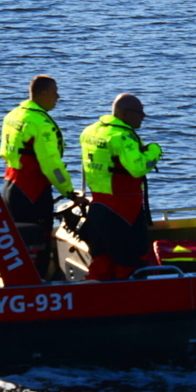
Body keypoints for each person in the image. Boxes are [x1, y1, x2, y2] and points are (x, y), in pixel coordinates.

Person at [0, 75, 85, 277]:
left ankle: (16, 277)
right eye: (55, 93)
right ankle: (39, 283)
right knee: (38, 241)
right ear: (44, 94)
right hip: (33, 190)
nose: (58, 97)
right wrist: (70, 193)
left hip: (11, 183)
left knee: (18, 238)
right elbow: (52, 165)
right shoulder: (41, 123)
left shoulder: (14, 115)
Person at [79, 93, 162, 281]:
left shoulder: (91, 131)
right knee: (131, 266)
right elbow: (138, 168)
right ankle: (134, 298)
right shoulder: (122, 137)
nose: (143, 116)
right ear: (124, 113)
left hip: (98, 207)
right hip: (124, 211)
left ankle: (94, 298)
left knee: (101, 264)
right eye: (139, 112)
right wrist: (155, 151)